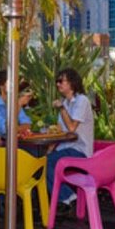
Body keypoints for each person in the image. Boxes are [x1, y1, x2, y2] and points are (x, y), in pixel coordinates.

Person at [47, 68, 95, 215]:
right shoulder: (66, 103)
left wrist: (61, 108)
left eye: (61, 81)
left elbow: (72, 128)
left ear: (72, 83)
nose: (58, 84)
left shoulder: (82, 101)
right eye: (57, 81)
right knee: (42, 160)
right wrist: (49, 149)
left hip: (80, 150)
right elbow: (61, 132)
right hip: (66, 148)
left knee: (47, 163)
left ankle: (67, 198)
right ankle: (59, 200)